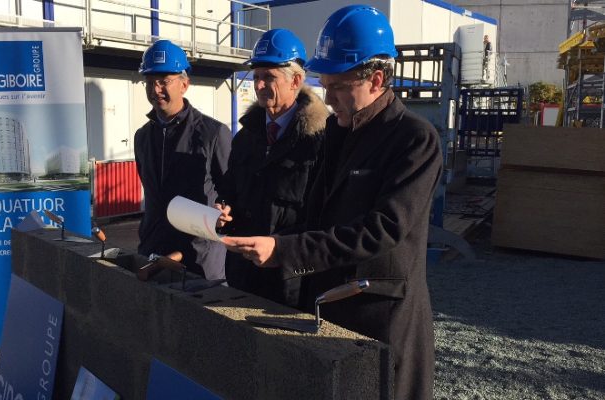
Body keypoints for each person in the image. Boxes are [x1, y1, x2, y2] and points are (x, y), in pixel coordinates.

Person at [222, 5, 441, 400]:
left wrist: (284, 250)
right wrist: (268, 242)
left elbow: (382, 229)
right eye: (327, 86)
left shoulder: (413, 139)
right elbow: (314, 216)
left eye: (339, 87)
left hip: (379, 317)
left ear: (376, 79)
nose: (330, 97)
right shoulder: (336, 134)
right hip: (325, 309)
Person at [215, 29, 328, 305]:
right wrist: (223, 206)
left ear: (296, 81)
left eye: (269, 77)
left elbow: (323, 217)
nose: (260, 85)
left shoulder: (319, 140)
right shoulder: (245, 137)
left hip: (290, 280)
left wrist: (281, 249)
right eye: (257, 77)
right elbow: (230, 187)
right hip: (242, 272)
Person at [134, 39, 231, 280]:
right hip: (153, 252)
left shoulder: (213, 134)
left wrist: (225, 210)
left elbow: (233, 194)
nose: (156, 89)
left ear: (184, 84)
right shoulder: (142, 137)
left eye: (164, 81)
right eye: (150, 82)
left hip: (200, 260)